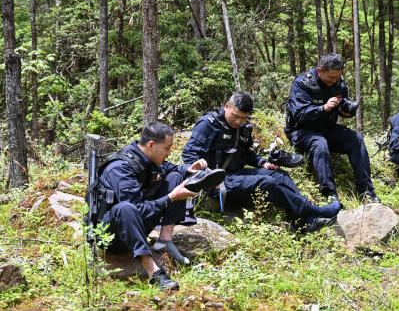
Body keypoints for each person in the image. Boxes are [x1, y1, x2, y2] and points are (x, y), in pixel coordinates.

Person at [182, 92, 341, 233]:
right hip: (217, 182)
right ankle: (311, 210)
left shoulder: (242, 127)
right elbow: (189, 156)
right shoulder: (208, 124)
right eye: (235, 116)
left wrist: (262, 162)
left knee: (280, 175)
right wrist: (207, 177)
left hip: (236, 174)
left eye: (243, 118)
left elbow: (246, 153)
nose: (238, 121)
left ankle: (304, 220)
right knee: (267, 183)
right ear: (226, 106)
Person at [94, 122, 204, 290]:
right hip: (111, 236)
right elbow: (136, 210)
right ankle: (154, 273)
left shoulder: (147, 158)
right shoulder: (120, 168)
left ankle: (165, 240)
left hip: (136, 226)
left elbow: (168, 168)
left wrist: (188, 169)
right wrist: (171, 197)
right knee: (126, 208)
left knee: (176, 177)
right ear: (151, 145)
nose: (170, 152)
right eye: (167, 148)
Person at [285, 53, 379, 204]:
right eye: (331, 78)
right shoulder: (303, 83)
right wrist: (323, 108)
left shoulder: (338, 83)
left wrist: (347, 110)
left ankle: (367, 191)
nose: (334, 81)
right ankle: (330, 194)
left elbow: (342, 104)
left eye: (337, 77)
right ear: (320, 70)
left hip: (326, 128)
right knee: (320, 143)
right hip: (301, 131)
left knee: (356, 139)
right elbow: (299, 114)